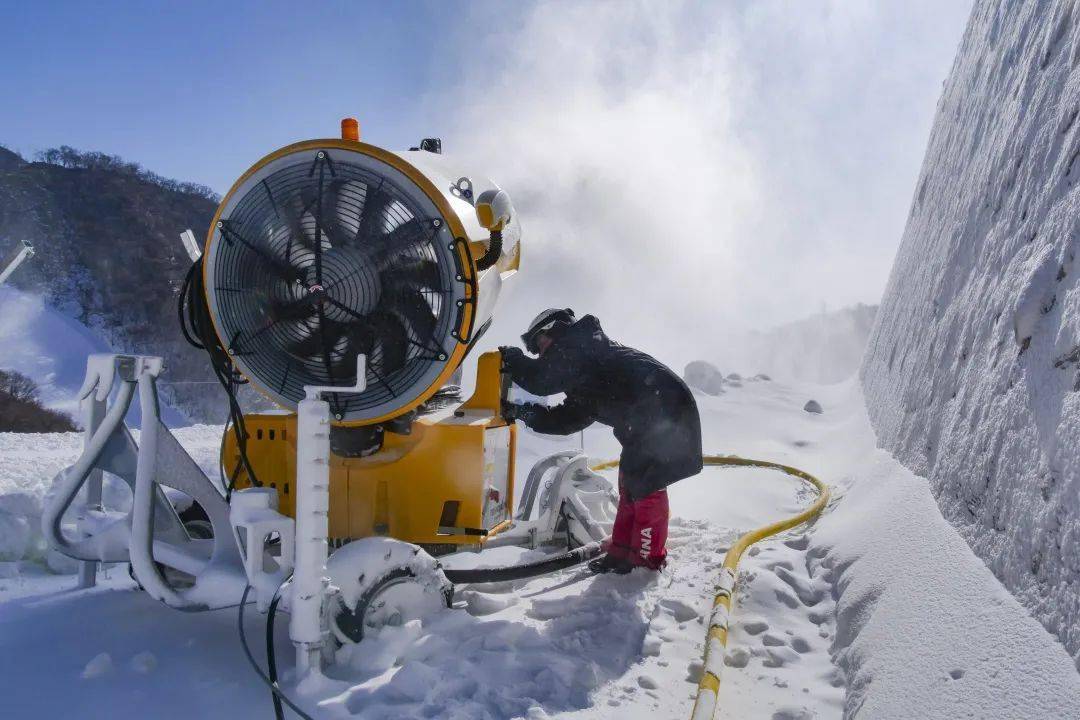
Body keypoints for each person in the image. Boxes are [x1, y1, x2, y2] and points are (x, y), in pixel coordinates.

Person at [500, 308, 703, 573]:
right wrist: (522, 413)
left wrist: (512, 360)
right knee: (631, 481)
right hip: (648, 422)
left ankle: (646, 559)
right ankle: (622, 551)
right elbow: (567, 419)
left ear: (557, 329)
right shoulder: (585, 369)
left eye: (540, 343)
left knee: (646, 484)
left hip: (667, 416)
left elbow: (542, 379)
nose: (540, 353)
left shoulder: (580, 344)